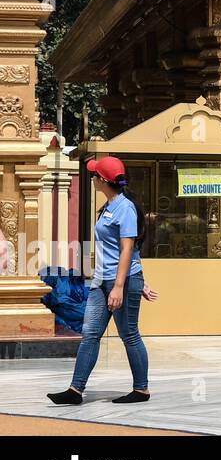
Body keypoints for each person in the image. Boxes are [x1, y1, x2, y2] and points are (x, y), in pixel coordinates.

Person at [47, 156, 151, 406]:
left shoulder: (124, 208)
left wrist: (121, 286)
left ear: (102, 181)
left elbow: (128, 249)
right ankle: (75, 390)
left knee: (129, 335)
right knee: (90, 334)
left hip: (119, 282)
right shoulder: (108, 207)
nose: (92, 179)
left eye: (94, 176)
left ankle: (141, 389)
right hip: (101, 281)